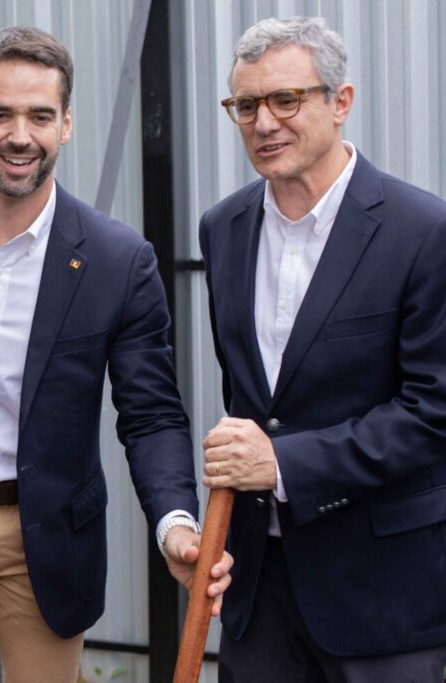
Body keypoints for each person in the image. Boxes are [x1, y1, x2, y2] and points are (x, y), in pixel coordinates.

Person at [0, 26, 232, 683]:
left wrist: (176, 520)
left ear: (66, 125)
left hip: (51, 524)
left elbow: (150, 413)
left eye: (40, 115)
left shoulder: (118, 260)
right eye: (0, 113)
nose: (19, 135)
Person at [200, 16, 446, 681]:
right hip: (261, 592)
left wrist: (281, 462)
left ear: (341, 102)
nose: (263, 122)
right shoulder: (223, 228)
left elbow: (432, 412)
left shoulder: (422, 231)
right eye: (245, 105)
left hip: (383, 595)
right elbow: (248, 397)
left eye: (287, 99)